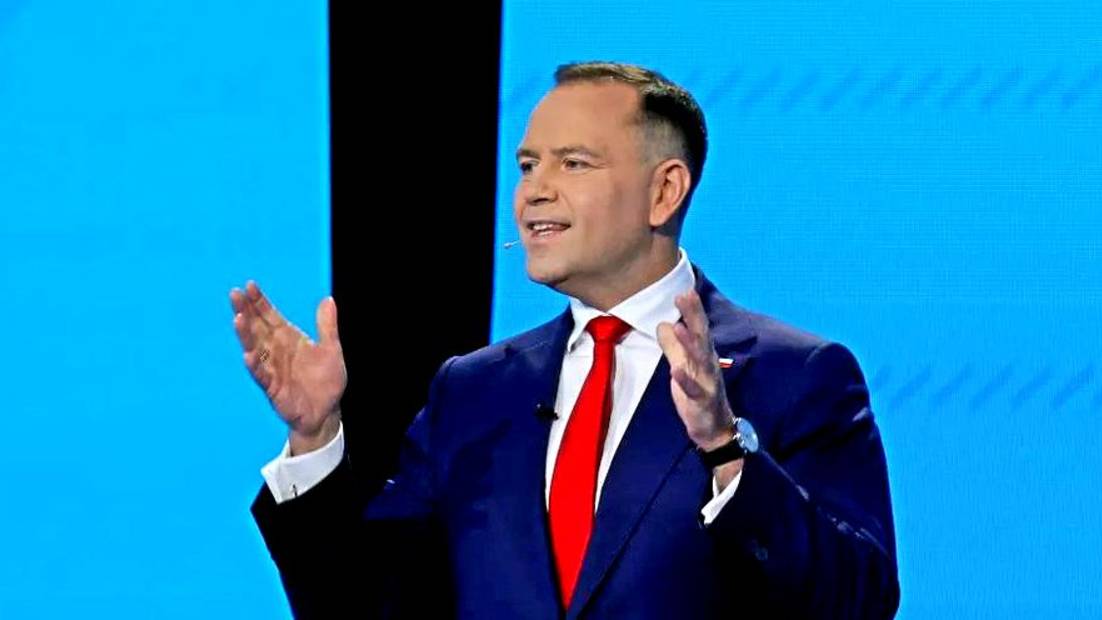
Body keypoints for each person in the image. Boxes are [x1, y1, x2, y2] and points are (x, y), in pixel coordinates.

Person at [230, 61, 900, 619]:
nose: (533, 193)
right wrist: (315, 440)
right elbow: (369, 607)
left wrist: (725, 449)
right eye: (527, 166)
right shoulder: (473, 390)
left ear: (664, 191)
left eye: (573, 164)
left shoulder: (795, 376)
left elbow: (857, 602)